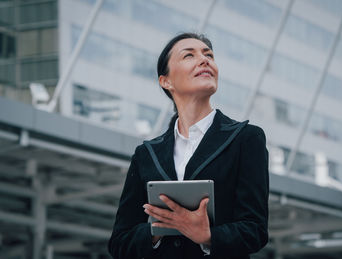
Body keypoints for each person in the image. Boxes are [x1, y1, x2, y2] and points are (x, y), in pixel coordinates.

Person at [108, 32, 269, 259]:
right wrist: (157, 229)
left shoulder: (246, 138)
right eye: (189, 56)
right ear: (166, 81)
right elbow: (119, 242)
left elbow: (255, 230)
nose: (205, 60)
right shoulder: (146, 154)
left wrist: (207, 235)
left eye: (209, 55)